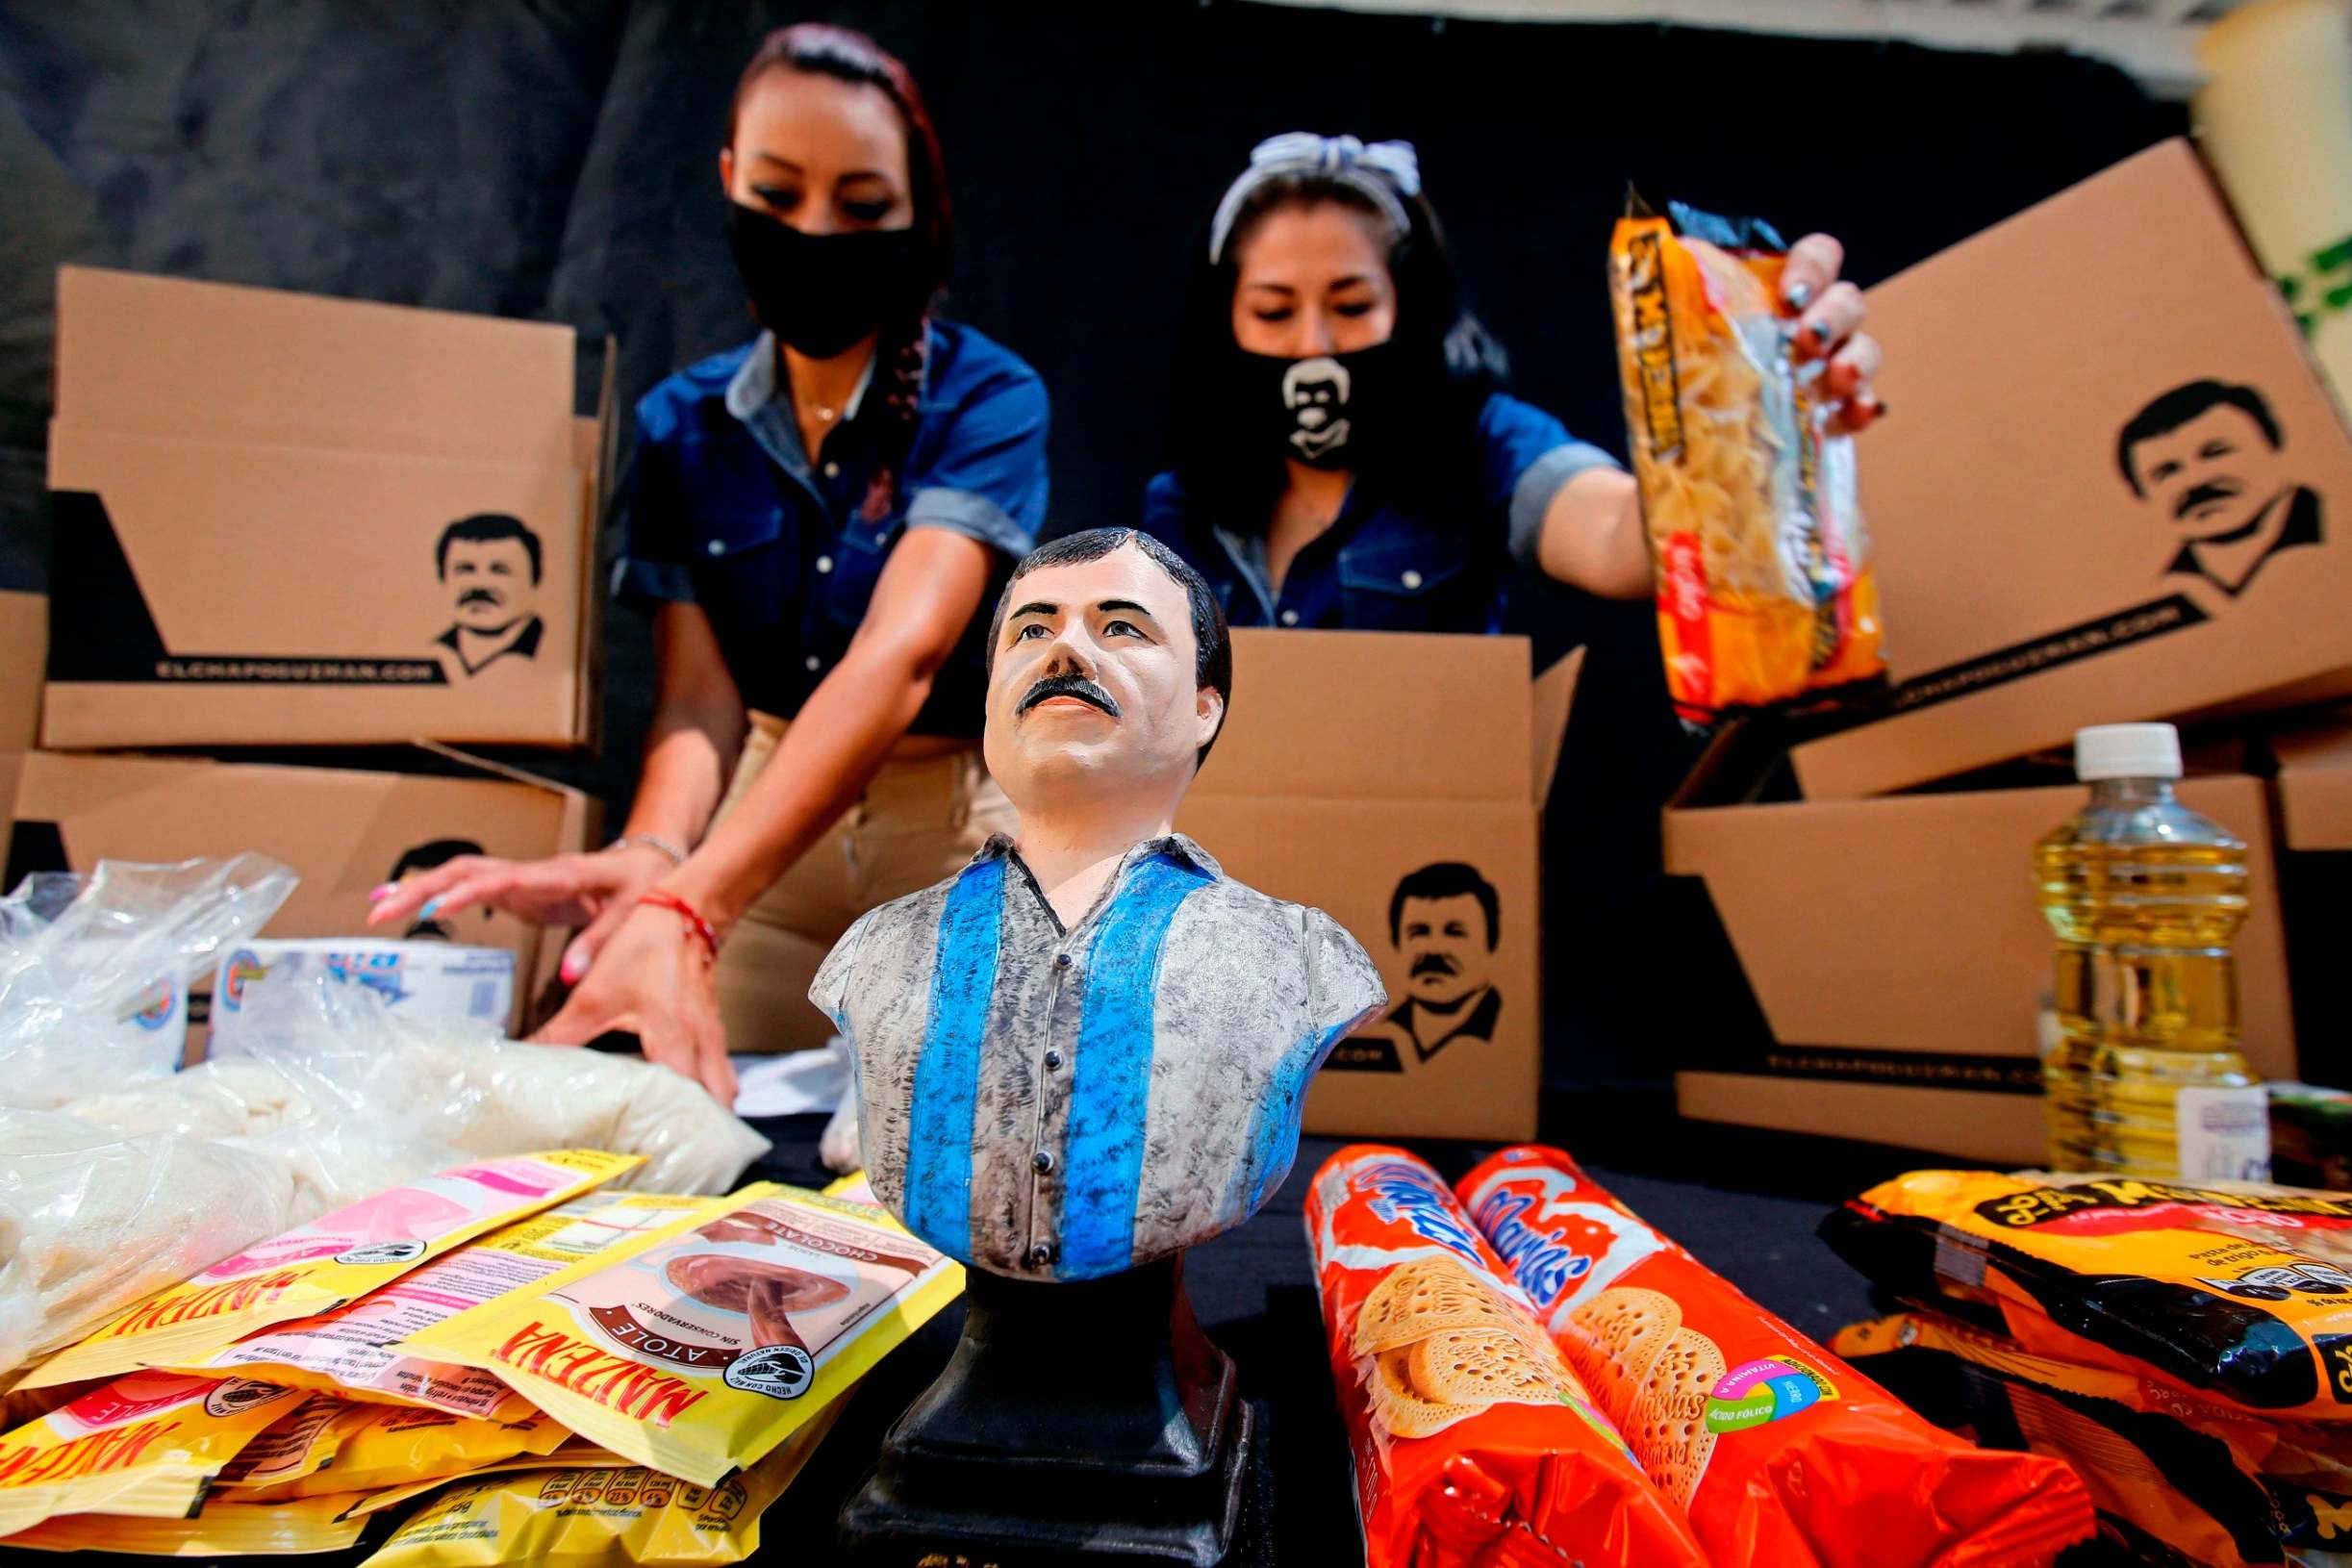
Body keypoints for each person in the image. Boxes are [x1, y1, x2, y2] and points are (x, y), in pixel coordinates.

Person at [367, 24, 1049, 1106]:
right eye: (779, 194)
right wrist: (652, 855)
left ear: (919, 209)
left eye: (862, 206)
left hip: (955, 827)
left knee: (975, 1120)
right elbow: (697, 699)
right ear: (731, 182)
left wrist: (690, 904)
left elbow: (900, 657)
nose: (815, 232)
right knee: (669, 1096)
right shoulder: (682, 423)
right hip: (758, 828)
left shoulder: (989, 400)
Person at [812, 527, 1385, 1277]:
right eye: (1032, 629)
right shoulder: (880, 949)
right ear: (988, 700)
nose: (1065, 654)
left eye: (1120, 627)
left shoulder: (1301, 962)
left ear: (1205, 708)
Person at [1142, 133, 1884, 630]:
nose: (1315, 344)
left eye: (1352, 305)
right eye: (1274, 311)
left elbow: (1618, 539)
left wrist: (1740, 399)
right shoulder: (1182, 503)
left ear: (1409, 306)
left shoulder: (1484, 443)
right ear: (1225, 322)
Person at [2117, 378, 2323, 597]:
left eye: (2216, 453)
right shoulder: (2158, 591)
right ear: (2141, 494)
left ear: (2275, 447)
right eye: (2167, 472)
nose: (2195, 481)